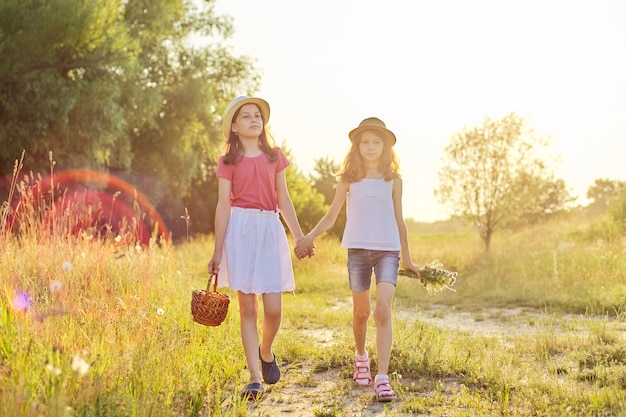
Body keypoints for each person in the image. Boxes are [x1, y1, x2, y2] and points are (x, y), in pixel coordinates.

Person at [295, 117, 420, 402]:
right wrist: (308, 237)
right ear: (357, 146)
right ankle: (361, 356)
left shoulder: (394, 181)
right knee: (361, 312)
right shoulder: (348, 179)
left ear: (386, 147)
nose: (371, 147)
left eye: (377, 142)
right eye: (366, 142)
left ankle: (383, 378)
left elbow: (400, 221)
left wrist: (409, 259)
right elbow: (331, 215)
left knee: (383, 311)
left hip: (388, 250)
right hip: (357, 251)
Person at [208, 96, 312, 400]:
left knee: (274, 310)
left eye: (258, 115)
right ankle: (254, 377)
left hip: (269, 228)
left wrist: (299, 237)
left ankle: (265, 350)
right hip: (240, 231)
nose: (254, 119)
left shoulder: (275, 156)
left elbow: (285, 199)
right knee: (248, 308)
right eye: (246, 116)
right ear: (235, 128)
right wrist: (217, 252)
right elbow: (222, 206)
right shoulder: (228, 161)